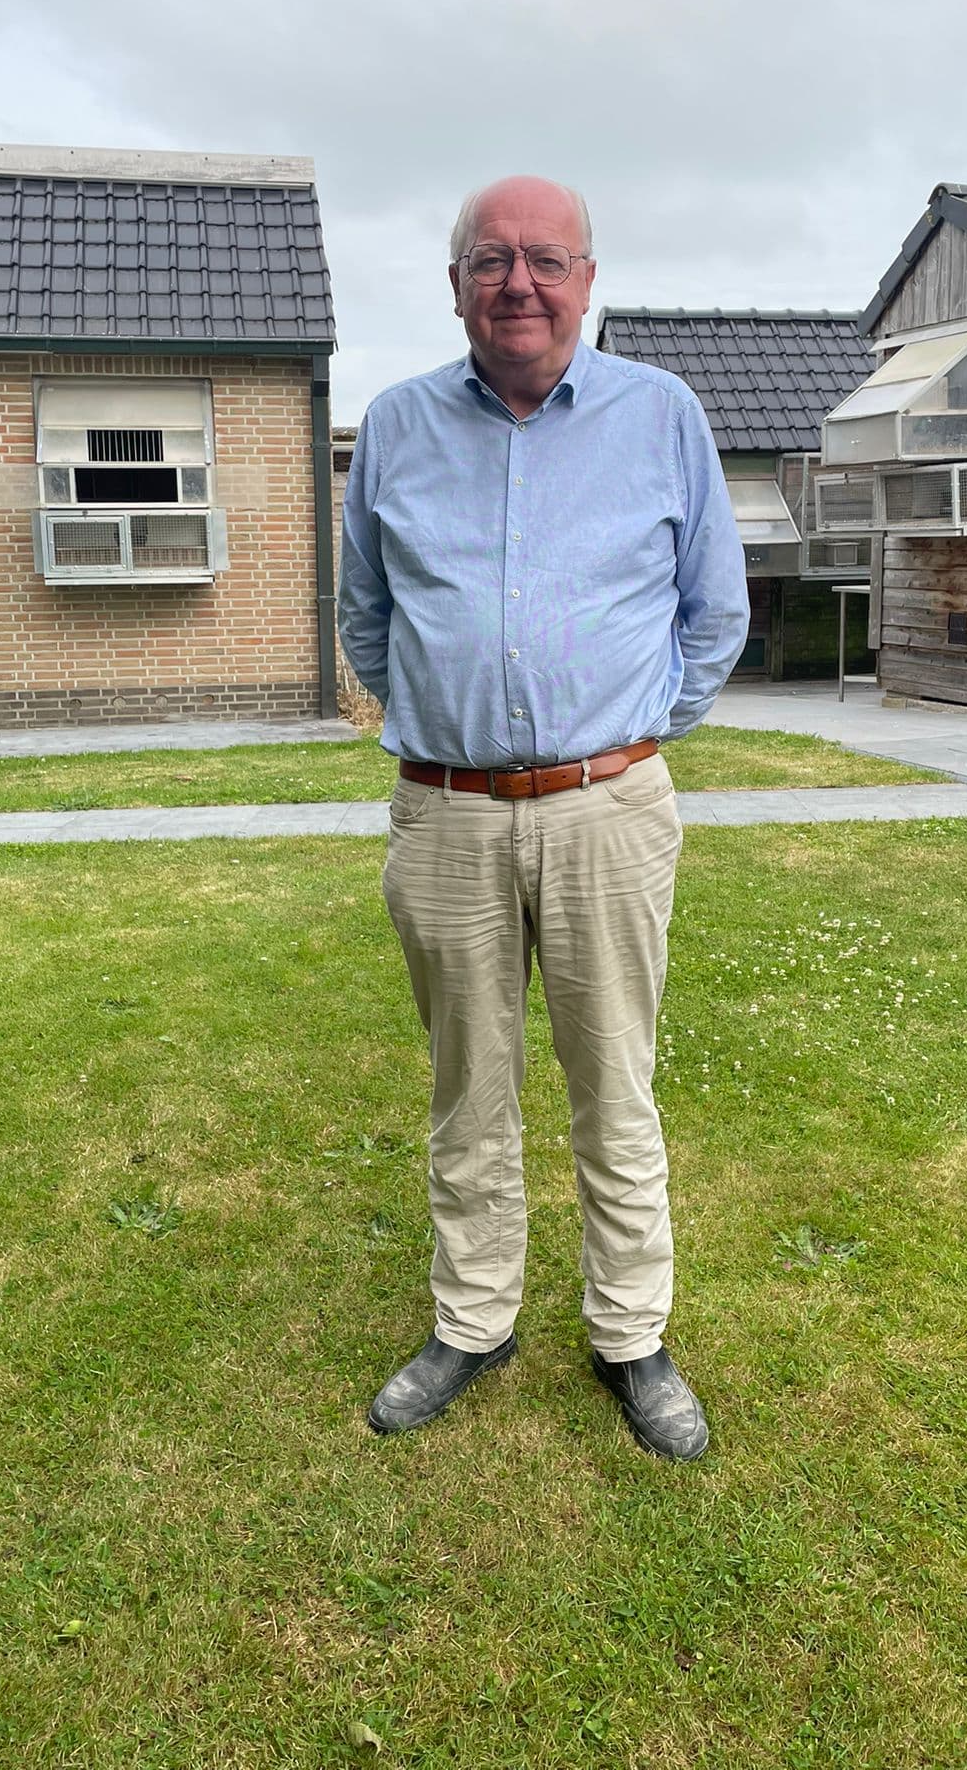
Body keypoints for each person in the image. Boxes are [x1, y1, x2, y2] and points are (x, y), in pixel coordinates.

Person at [337, 175, 749, 1461]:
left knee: (614, 1084)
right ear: (454, 281)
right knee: (469, 1085)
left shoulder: (662, 414)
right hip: (446, 814)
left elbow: (714, 612)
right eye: (492, 260)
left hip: (606, 812)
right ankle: (474, 1318)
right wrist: (446, 718)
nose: (521, 282)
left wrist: (624, 739)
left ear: (587, 278)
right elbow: (366, 614)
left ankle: (632, 1334)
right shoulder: (397, 426)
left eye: (547, 260)